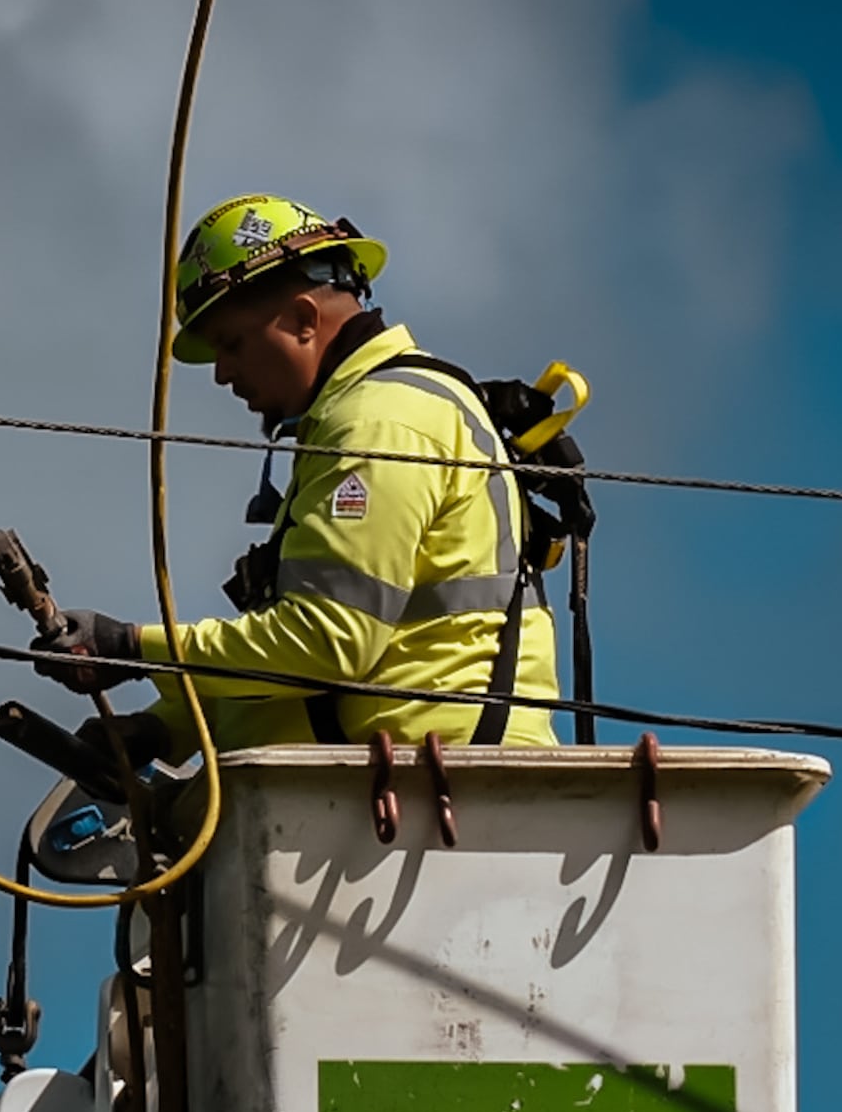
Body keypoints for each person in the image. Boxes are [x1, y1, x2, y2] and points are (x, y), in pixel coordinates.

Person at [34, 193, 559, 762]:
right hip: (406, 785)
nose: (222, 374)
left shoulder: (380, 420)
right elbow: (300, 661)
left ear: (306, 320)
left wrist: (135, 649)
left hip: (434, 792)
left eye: (231, 344)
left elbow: (328, 642)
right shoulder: (362, 415)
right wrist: (169, 728)